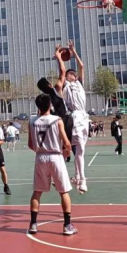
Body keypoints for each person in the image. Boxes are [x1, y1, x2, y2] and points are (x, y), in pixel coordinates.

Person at [27, 94, 76, 236]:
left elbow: (30, 144)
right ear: (50, 105)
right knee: (63, 191)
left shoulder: (32, 120)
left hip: (40, 157)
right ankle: (67, 225)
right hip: (56, 156)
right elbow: (67, 143)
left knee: (37, 192)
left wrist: (41, 151)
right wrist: (66, 153)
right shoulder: (57, 120)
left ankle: (33, 224)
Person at [54, 41, 90, 194]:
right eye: (69, 74)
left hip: (84, 117)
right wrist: (59, 57)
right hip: (72, 117)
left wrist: (73, 51)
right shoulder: (65, 85)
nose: (71, 75)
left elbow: (81, 66)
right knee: (71, 148)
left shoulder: (79, 83)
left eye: (73, 74)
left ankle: (79, 178)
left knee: (80, 150)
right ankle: (77, 178)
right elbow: (61, 71)